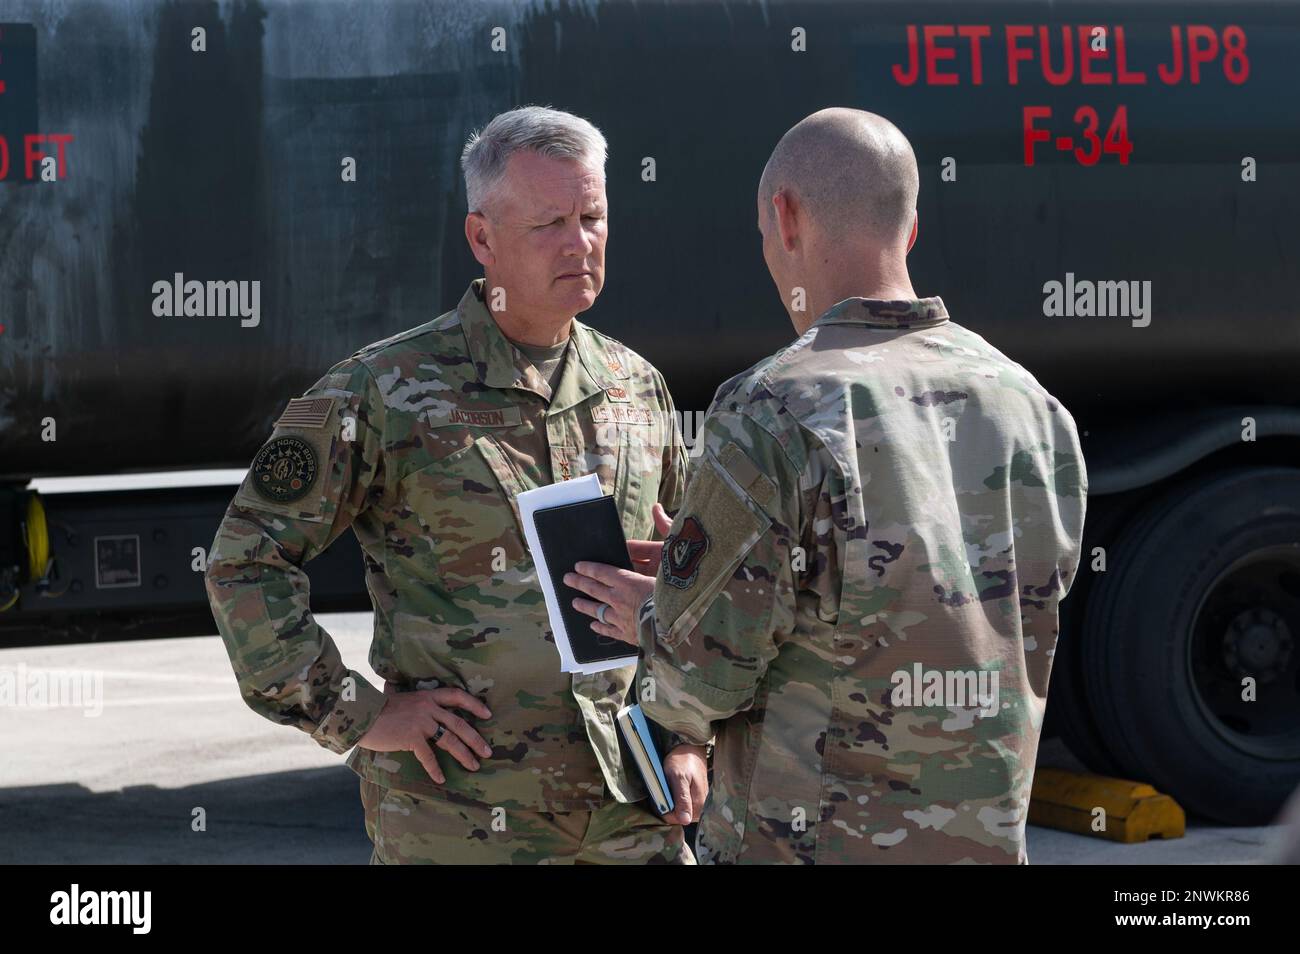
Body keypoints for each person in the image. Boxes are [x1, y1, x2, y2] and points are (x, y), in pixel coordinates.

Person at [565, 107, 1087, 863]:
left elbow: (699, 677)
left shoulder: (774, 405)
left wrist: (662, 613)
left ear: (784, 217)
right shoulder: (1032, 407)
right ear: (909, 231)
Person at [205, 105, 703, 864]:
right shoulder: (382, 390)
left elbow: (692, 580)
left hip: (630, 812)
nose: (580, 243)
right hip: (460, 821)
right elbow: (244, 560)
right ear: (482, 238)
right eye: (548, 225)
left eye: (592, 216)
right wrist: (359, 714)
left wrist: (691, 736)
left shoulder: (638, 387)